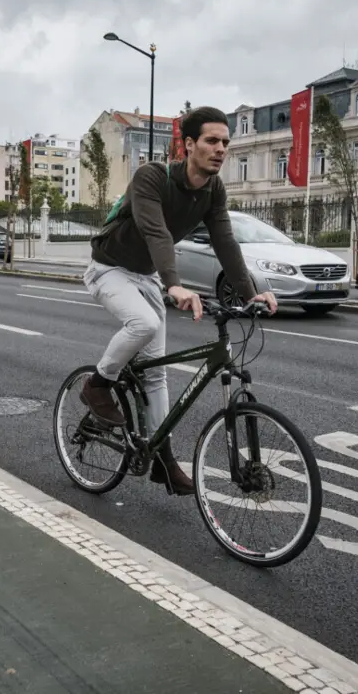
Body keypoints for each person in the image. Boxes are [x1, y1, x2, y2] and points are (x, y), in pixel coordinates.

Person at [81, 106, 278, 495]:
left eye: (225, 142)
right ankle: (98, 385)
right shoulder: (151, 177)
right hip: (110, 269)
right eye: (211, 141)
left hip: (147, 275)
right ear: (188, 145)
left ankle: (163, 461)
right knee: (145, 324)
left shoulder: (213, 190)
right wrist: (174, 285)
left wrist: (250, 291)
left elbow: (225, 241)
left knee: (155, 372)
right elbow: (156, 233)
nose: (220, 149)